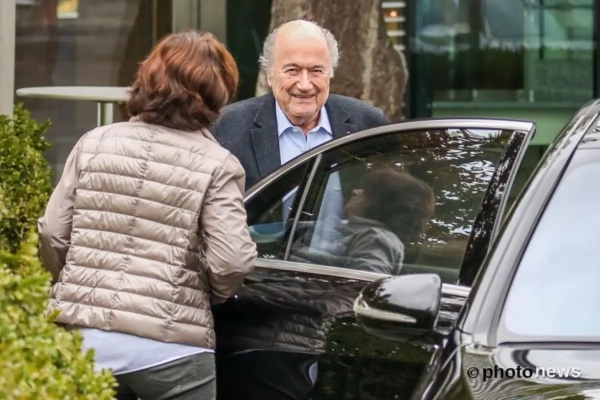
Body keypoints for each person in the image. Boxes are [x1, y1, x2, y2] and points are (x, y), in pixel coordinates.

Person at [37, 31, 257, 400]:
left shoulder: (95, 142)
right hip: (172, 351)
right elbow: (231, 261)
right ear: (218, 94)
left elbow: (52, 232)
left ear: (147, 79)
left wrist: (78, 282)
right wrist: (203, 295)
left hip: (86, 341)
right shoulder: (220, 164)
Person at [210, 19, 390, 191]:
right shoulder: (227, 128)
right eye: (292, 71)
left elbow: (389, 198)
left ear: (330, 73)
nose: (305, 85)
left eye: (316, 71)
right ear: (270, 75)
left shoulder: (369, 123)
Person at [290, 168, 436, 275]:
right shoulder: (345, 228)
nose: (355, 192)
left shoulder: (376, 239)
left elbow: (360, 289)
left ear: (378, 204)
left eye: (365, 192)